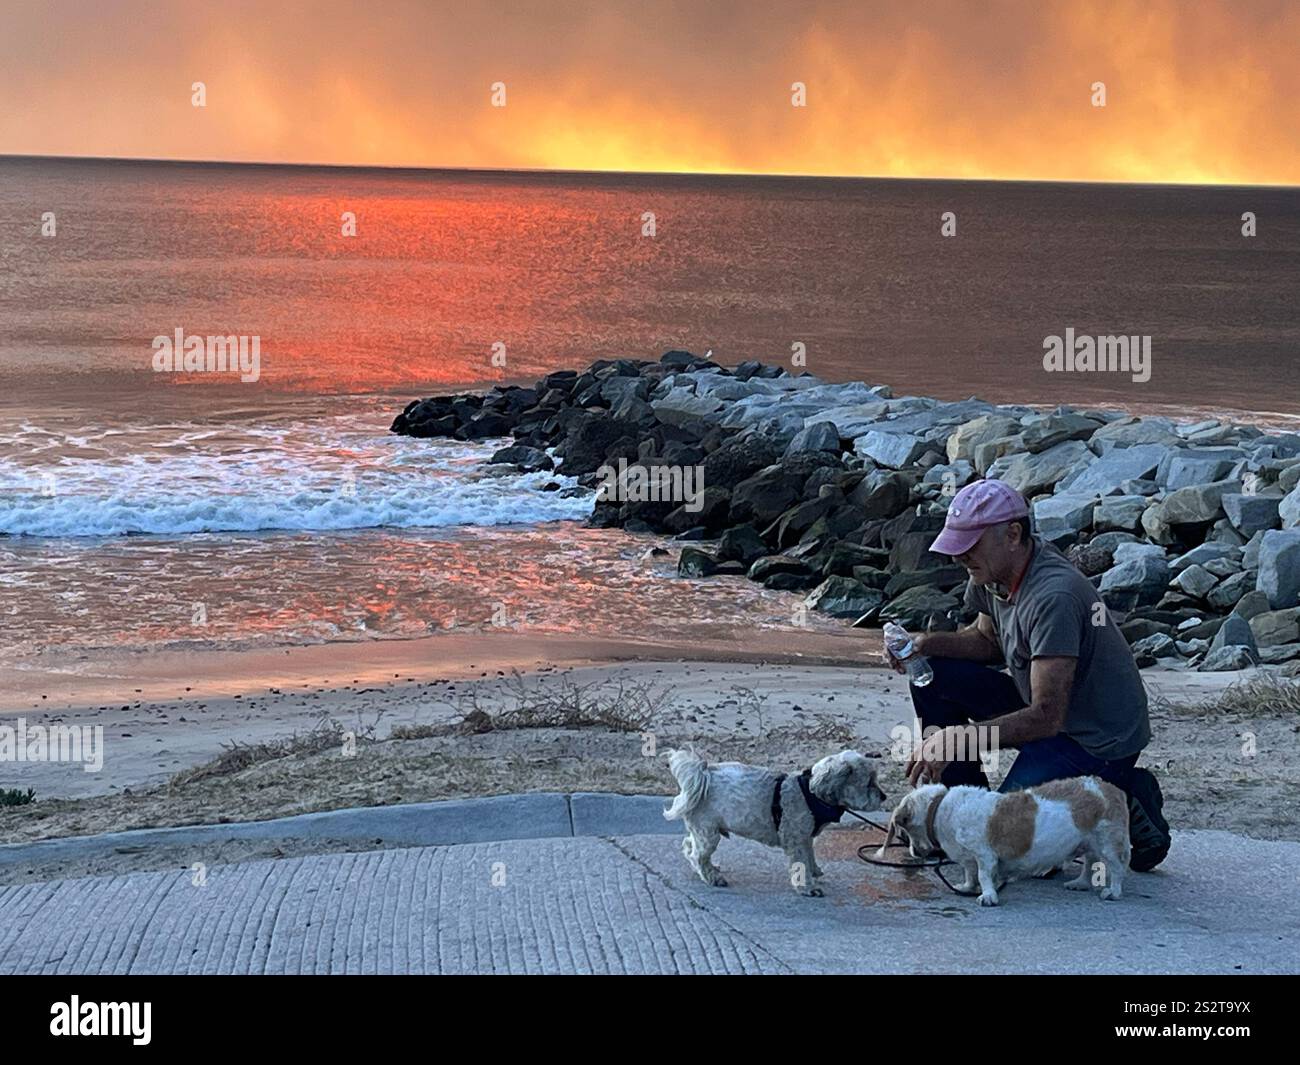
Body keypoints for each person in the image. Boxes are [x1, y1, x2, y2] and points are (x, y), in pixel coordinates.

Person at [890, 478, 1170, 870]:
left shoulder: (1053, 595)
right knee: (933, 674)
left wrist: (960, 739)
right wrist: (924, 645)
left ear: (1013, 534)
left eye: (969, 545)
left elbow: (1046, 717)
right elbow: (986, 642)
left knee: (1008, 845)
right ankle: (959, 803)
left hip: (1094, 738)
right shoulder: (995, 571)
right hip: (1048, 712)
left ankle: (1125, 791)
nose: (959, 557)